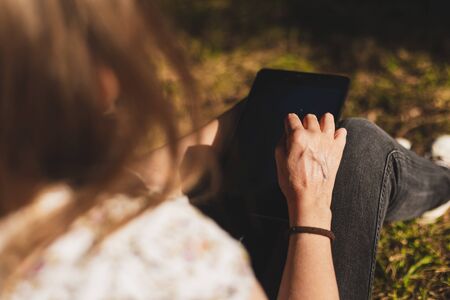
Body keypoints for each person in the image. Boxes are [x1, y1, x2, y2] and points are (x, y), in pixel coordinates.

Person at [0, 1, 448, 299]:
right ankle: (441, 183)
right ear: (101, 79)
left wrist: (242, 118)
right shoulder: (165, 251)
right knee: (362, 147)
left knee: (262, 143)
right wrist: (310, 205)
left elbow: (128, 183)